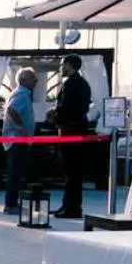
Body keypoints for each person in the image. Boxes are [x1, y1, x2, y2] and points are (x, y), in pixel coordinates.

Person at [51, 54, 92, 219]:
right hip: (78, 130)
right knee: (74, 172)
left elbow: (67, 109)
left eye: (62, 65)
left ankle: (71, 207)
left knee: (71, 172)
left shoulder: (71, 84)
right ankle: (69, 204)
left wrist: (54, 116)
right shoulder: (83, 84)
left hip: (70, 132)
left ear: (69, 65)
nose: (61, 68)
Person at [2, 67, 38, 215]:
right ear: (23, 80)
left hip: (18, 139)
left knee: (16, 172)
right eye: (32, 78)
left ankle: (12, 203)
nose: (36, 81)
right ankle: (10, 204)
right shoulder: (22, 94)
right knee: (15, 172)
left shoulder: (22, 94)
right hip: (17, 139)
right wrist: (19, 126)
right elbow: (11, 110)